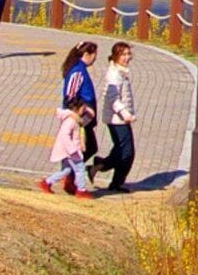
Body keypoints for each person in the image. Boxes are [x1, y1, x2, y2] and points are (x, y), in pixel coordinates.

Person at [99, 41, 139, 194]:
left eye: (129, 54)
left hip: (121, 119)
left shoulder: (121, 71)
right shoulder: (114, 74)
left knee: (120, 149)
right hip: (117, 119)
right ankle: (111, 177)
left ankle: (106, 172)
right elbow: (112, 98)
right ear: (116, 56)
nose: (127, 57)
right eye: (123, 54)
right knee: (127, 152)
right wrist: (125, 113)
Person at [43, 98, 96, 197]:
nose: (84, 111)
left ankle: (47, 182)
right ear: (76, 108)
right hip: (71, 150)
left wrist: (88, 110)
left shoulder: (76, 119)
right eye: (83, 108)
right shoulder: (71, 121)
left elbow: (90, 117)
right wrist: (72, 149)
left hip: (69, 150)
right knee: (80, 168)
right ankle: (81, 190)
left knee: (66, 170)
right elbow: (64, 135)